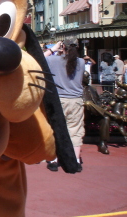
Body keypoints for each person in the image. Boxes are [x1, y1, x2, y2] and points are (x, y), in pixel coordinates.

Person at [45, 38, 85, 172]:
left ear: (63, 47)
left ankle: (53, 159)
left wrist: (52, 49)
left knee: (55, 129)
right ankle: (75, 160)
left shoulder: (54, 60)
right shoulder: (81, 62)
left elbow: (38, 58)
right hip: (75, 100)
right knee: (75, 131)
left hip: (58, 100)